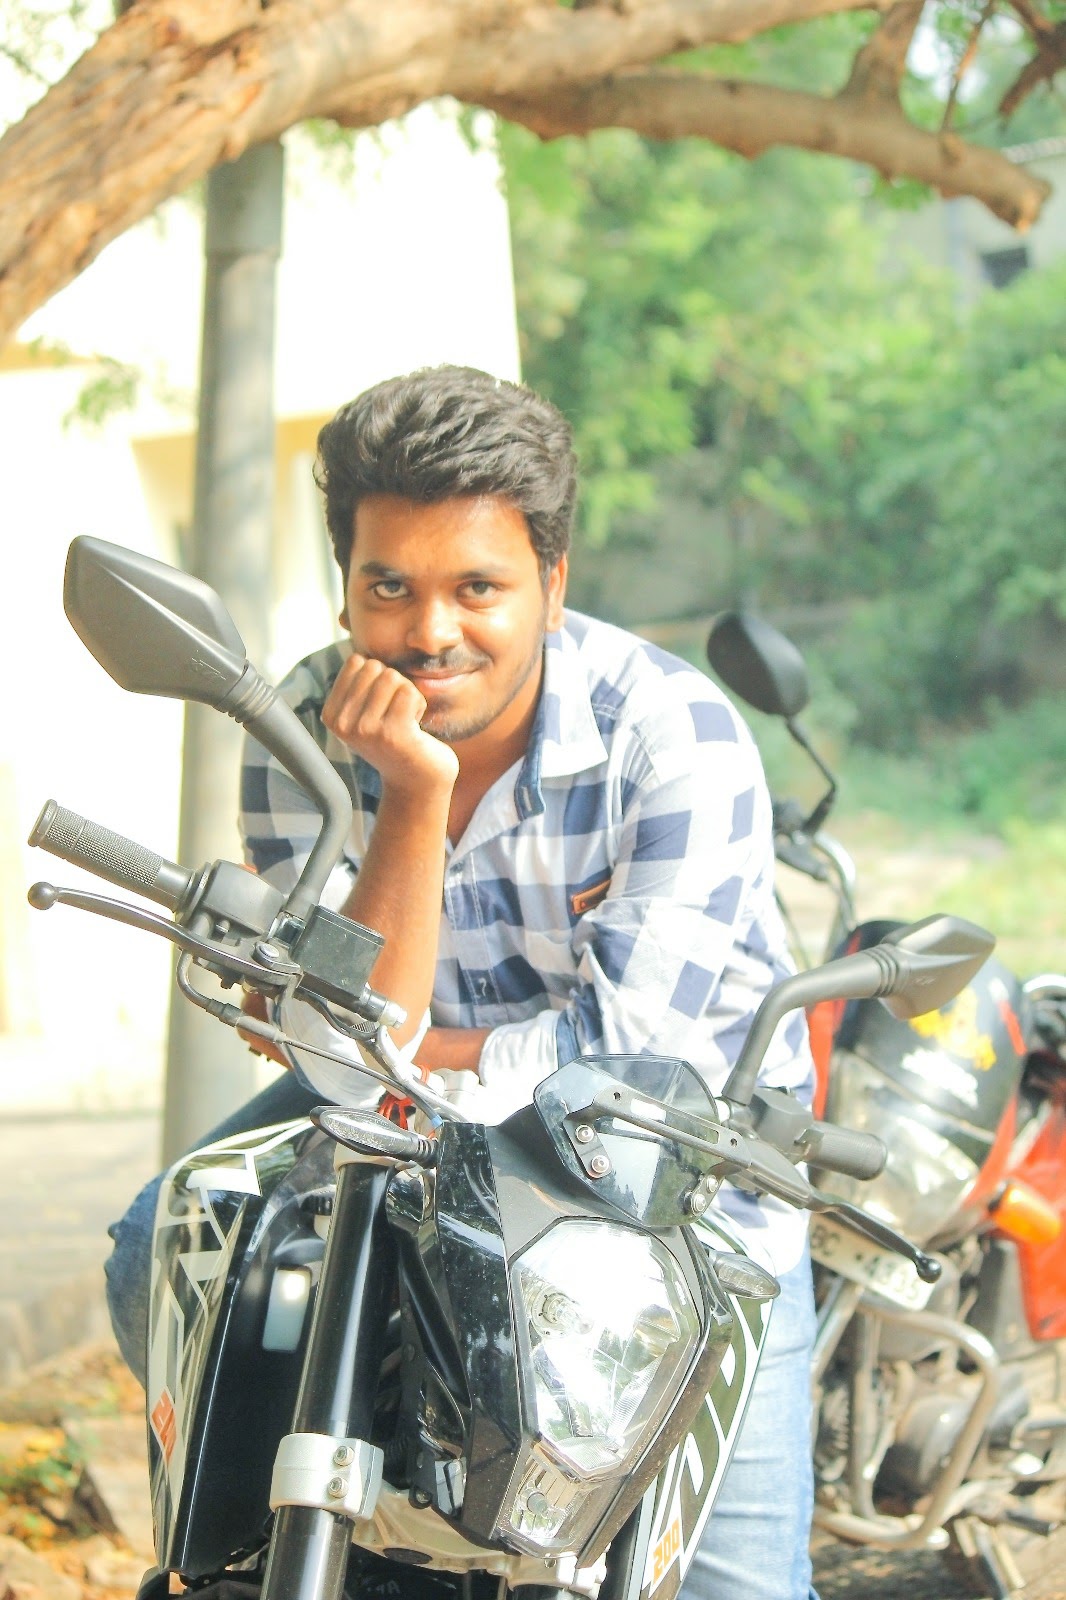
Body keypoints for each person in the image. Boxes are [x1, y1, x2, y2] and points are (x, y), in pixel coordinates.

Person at [106, 365, 818, 1600]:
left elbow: (612, 1062)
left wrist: (388, 1050)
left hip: (678, 1163)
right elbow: (348, 1041)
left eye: (476, 587)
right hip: (411, 1141)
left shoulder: (673, 737)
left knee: (732, 1586)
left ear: (552, 583)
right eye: (388, 586)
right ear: (345, 585)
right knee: (158, 1243)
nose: (429, 631)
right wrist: (412, 795)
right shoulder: (299, 726)